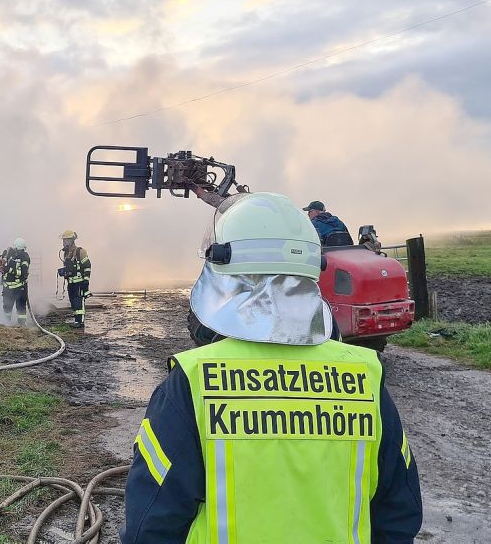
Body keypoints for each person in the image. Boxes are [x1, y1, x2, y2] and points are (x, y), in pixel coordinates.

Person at [121, 193, 422, 543]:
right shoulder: (365, 377)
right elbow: (398, 512)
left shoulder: (192, 381)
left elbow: (152, 524)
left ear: (223, 270)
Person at [57, 230, 91, 329]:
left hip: (79, 283)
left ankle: (80, 322)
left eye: (66, 240)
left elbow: (87, 266)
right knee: (73, 303)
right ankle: (77, 320)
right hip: (71, 283)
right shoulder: (66, 254)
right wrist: (64, 272)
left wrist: (86, 281)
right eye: (63, 241)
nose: (64, 243)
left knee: (79, 302)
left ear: (72, 240)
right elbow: (70, 268)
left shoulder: (80, 251)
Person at [0, 237, 31, 325]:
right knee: (16, 308)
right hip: (15, 288)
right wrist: (1, 259)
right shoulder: (11, 254)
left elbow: (23, 273)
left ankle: (15, 326)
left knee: (12, 308)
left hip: (15, 288)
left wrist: (8, 269)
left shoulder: (24, 257)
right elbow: (0, 263)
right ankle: (14, 325)